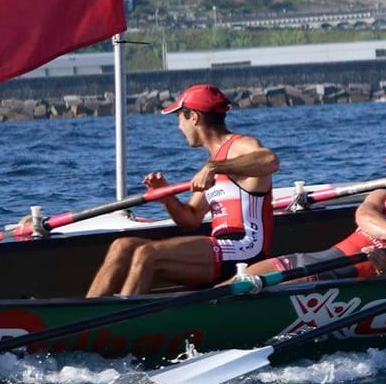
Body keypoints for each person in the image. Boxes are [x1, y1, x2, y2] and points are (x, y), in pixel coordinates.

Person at [86, 85, 281, 296]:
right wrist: (168, 197)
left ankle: (119, 324)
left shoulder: (238, 146)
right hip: (221, 251)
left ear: (194, 118)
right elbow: (191, 218)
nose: (179, 127)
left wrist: (214, 168)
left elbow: (269, 160)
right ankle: (85, 318)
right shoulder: (213, 161)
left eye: (180, 118)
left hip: (246, 249)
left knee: (147, 254)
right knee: (121, 246)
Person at [250, 138, 386, 281]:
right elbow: (364, 215)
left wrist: (385, 268)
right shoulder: (382, 196)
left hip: (339, 277)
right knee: (241, 278)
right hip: (309, 260)